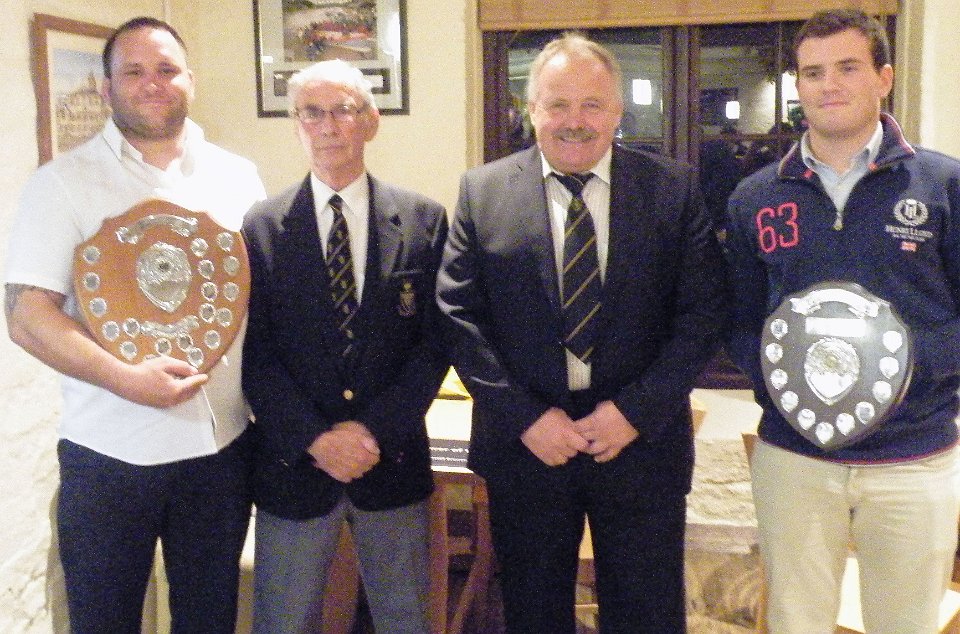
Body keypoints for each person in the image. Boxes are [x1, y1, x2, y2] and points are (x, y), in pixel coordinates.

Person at [437, 32, 729, 633]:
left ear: (618, 111)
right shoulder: (482, 191)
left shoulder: (673, 189)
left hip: (640, 442)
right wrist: (526, 417)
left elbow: (702, 316)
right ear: (531, 110)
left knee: (647, 613)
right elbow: (459, 318)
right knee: (533, 612)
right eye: (558, 104)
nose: (576, 121)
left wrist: (633, 413)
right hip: (528, 445)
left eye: (593, 104)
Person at [4, 16, 265, 633]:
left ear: (190, 81)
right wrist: (126, 378)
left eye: (167, 70)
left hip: (221, 449)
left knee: (209, 621)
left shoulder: (238, 176)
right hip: (109, 455)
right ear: (106, 87)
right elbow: (26, 315)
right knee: (105, 623)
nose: (153, 84)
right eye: (135, 71)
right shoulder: (61, 184)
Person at [725, 8, 960, 633]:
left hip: (915, 459)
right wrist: (775, 381)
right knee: (796, 622)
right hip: (794, 459)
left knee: (905, 625)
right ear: (797, 86)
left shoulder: (942, 185)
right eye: (813, 72)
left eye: (848, 67)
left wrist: (912, 373)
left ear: (883, 77)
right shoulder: (756, 197)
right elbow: (740, 317)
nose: (829, 85)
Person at [242, 59, 448, 634]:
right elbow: (253, 354)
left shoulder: (424, 220)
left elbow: (434, 345)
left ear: (371, 121)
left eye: (344, 110)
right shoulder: (259, 226)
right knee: (282, 622)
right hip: (292, 466)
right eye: (312, 112)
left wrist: (371, 432)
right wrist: (315, 439)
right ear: (297, 124)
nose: (328, 125)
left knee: (406, 620)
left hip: (393, 462)